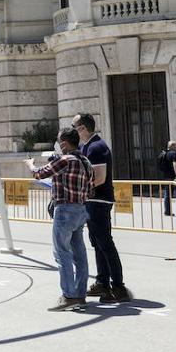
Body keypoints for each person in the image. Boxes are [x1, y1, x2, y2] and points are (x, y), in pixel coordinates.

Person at [25, 128, 93, 311]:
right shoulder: (85, 161)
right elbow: (90, 188)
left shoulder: (65, 160)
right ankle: (80, 294)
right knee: (80, 255)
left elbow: (39, 174)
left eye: (59, 141)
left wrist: (30, 164)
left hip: (64, 210)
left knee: (62, 253)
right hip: (81, 209)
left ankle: (69, 296)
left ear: (64, 143)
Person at [74, 113, 132, 303]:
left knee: (105, 243)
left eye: (75, 127)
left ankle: (118, 286)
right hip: (92, 201)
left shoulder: (97, 147)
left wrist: (81, 189)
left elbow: (99, 177)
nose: (74, 131)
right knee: (98, 243)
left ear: (83, 128)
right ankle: (102, 283)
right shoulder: (86, 146)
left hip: (99, 201)